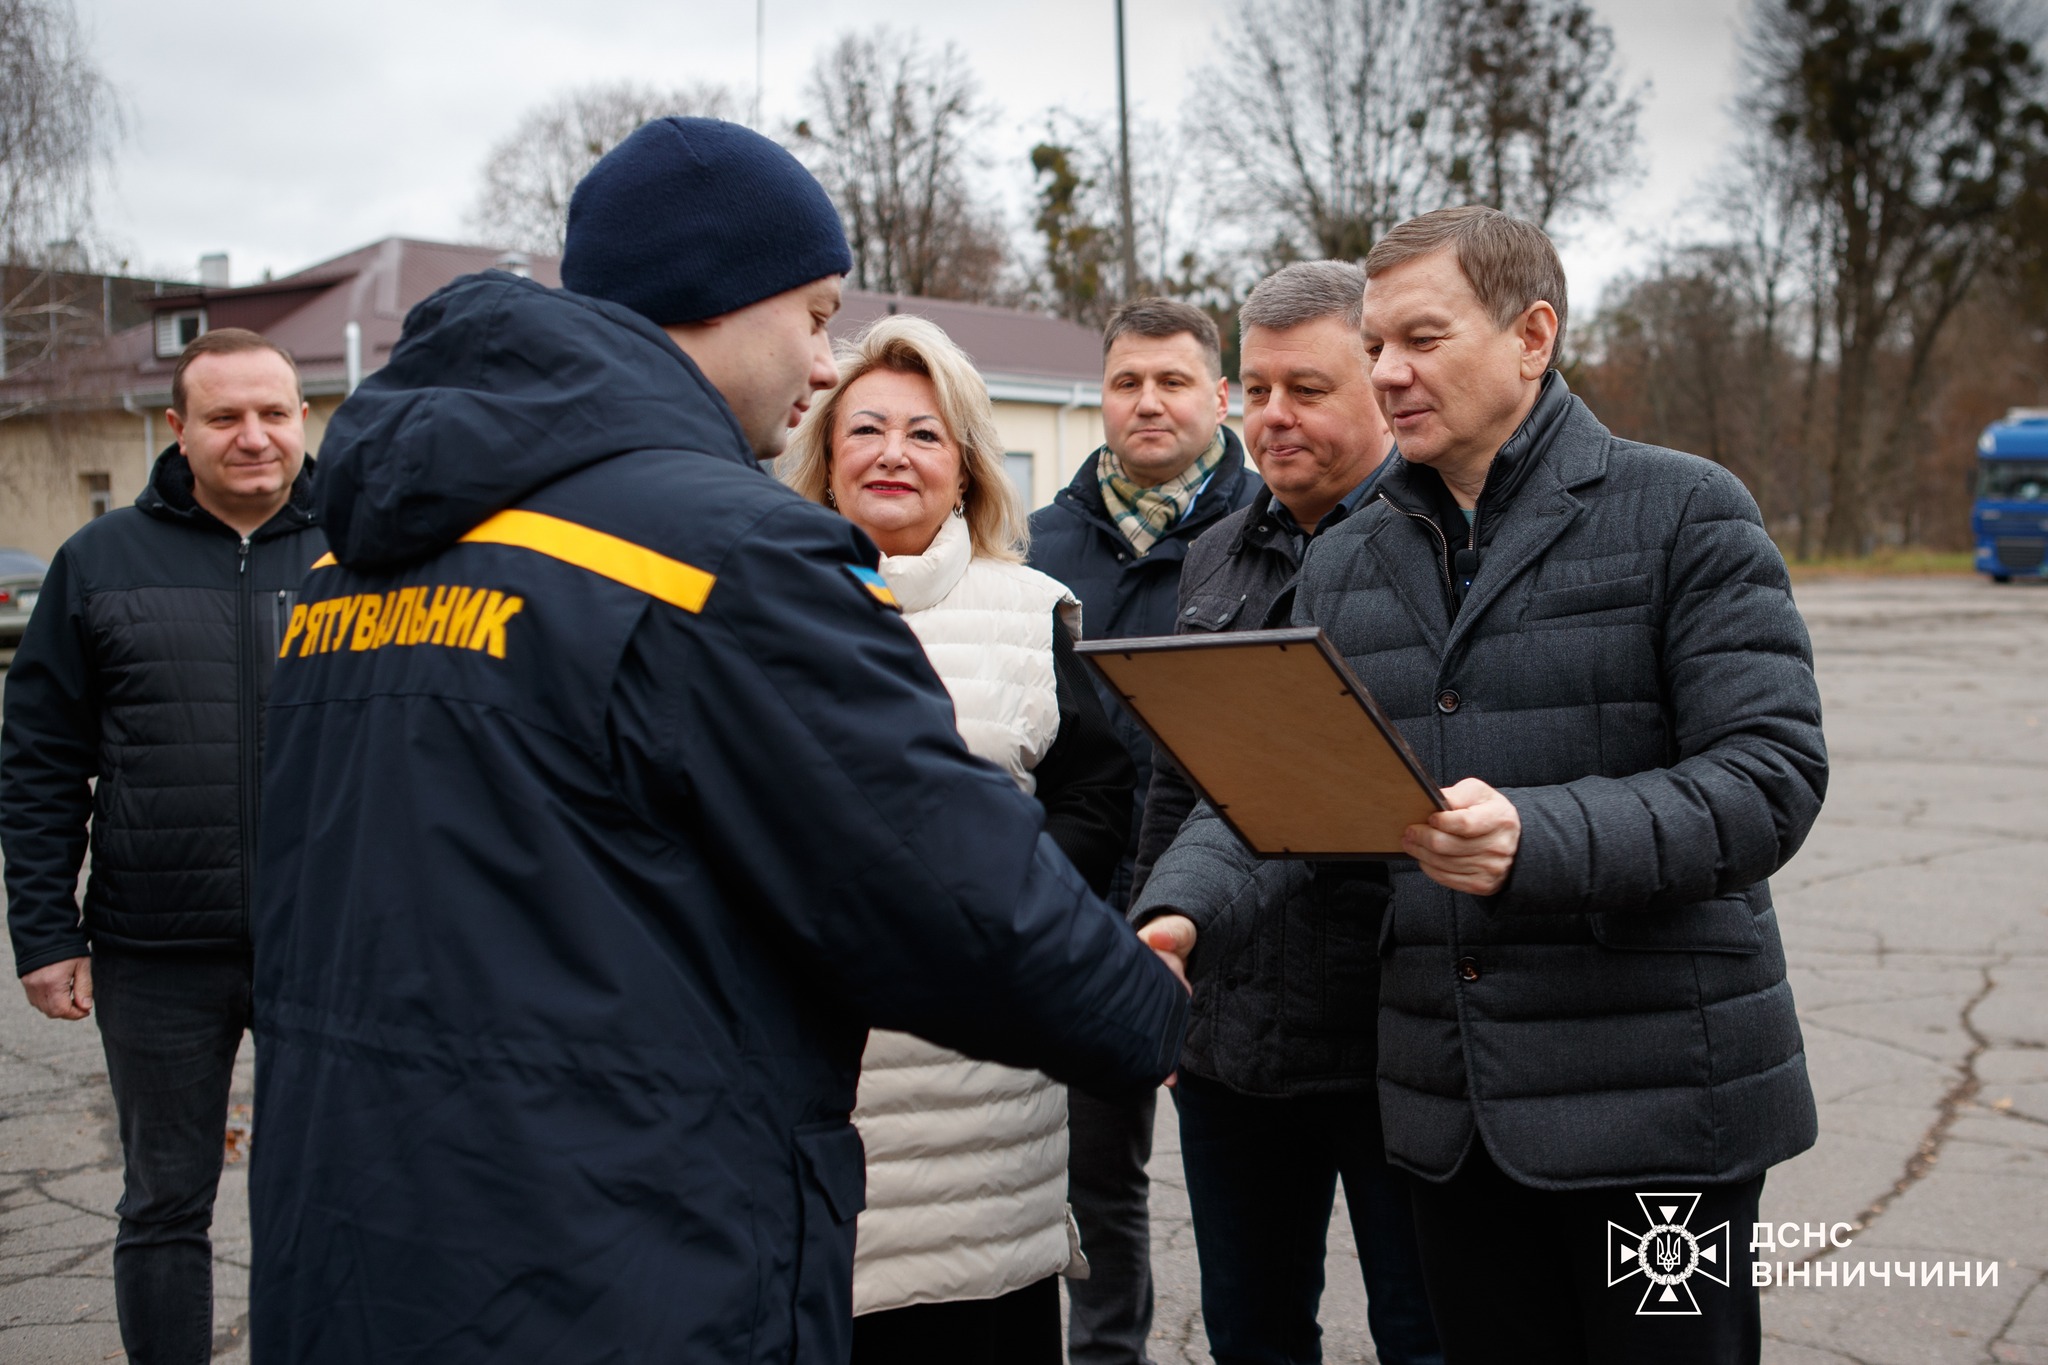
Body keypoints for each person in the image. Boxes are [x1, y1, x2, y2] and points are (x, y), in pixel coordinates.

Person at [246, 117, 1188, 1365]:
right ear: (719, 295)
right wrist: (1144, 1010)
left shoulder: (339, 565)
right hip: (619, 1255)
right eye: (813, 310)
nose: (818, 361)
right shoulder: (725, 551)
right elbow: (938, 883)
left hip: (361, 1247)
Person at [1136, 205, 1827, 1365]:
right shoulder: (1349, 557)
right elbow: (1278, 787)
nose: (1389, 373)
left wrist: (1536, 837)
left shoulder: (1684, 510)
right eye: (1374, 346)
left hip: (1658, 1112)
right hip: (1450, 1119)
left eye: (1421, 338)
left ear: (1531, 335)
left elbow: (1768, 776)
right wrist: (1178, 913)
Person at [783, 312, 1135, 1364]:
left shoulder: (1030, 613)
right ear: (824, 456)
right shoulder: (749, 602)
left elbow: (1096, 793)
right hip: (801, 1068)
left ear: (966, 466)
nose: (894, 453)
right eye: (867, 430)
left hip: (978, 1090)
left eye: (925, 434)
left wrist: (996, 905)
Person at [1130, 262, 1439, 1365]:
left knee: (1422, 1330)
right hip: (1234, 1044)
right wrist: (1157, 944)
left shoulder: (1443, 544)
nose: (1271, 416)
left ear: (1380, 382)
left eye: (1305, 389)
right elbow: (1183, 783)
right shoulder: (1216, 552)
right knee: (1250, 1333)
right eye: (1255, 390)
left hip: (1390, 1042)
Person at [1, 327, 323, 1365]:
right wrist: (45, 931)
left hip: (326, 942)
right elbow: (42, 759)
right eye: (224, 417)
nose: (253, 436)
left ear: (303, 418)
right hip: (154, 952)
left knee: (322, 1195)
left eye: (273, 412)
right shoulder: (98, 562)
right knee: (163, 1203)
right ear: (177, 429)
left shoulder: (361, 554)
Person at [1027, 297, 1262, 1365]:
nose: (1147, 401)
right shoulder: (1038, 547)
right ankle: (1107, 1353)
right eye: (1126, 382)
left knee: (1247, 1199)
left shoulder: (1268, 529)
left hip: (1231, 907)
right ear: (1102, 398)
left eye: (1172, 381)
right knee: (1095, 1179)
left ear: (1217, 397)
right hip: (1075, 909)